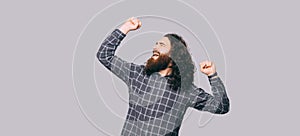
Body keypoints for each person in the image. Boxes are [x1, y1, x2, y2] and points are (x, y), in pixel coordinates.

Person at [96, 17, 230, 136]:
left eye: (162, 45)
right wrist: (125, 28)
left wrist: (213, 76)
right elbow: (104, 55)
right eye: (156, 44)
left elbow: (221, 107)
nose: (155, 47)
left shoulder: (186, 90)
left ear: (175, 55)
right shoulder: (136, 74)